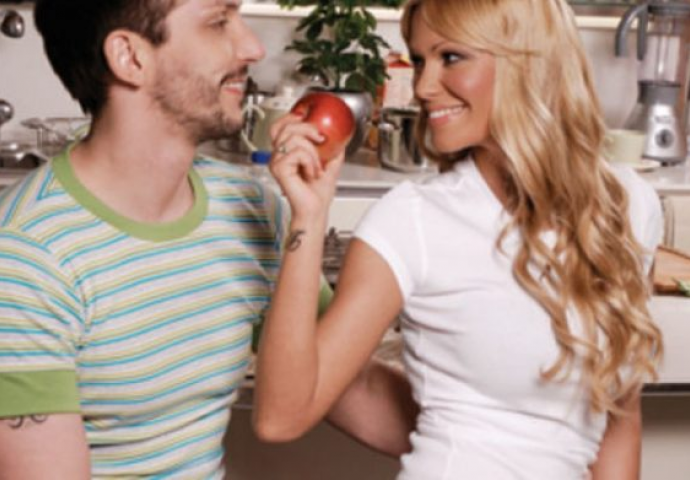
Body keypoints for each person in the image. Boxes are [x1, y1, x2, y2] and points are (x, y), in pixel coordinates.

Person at [0, 0, 415, 478]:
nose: (253, 47)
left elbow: (346, 383)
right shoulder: (25, 259)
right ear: (130, 57)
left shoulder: (250, 206)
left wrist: (479, 434)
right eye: (219, 22)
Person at [254, 0, 665, 478]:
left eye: (450, 57)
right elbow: (280, 417)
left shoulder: (630, 206)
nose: (424, 87)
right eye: (420, 60)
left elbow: (618, 416)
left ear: (526, 59)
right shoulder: (413, 220)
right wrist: (308, 215)